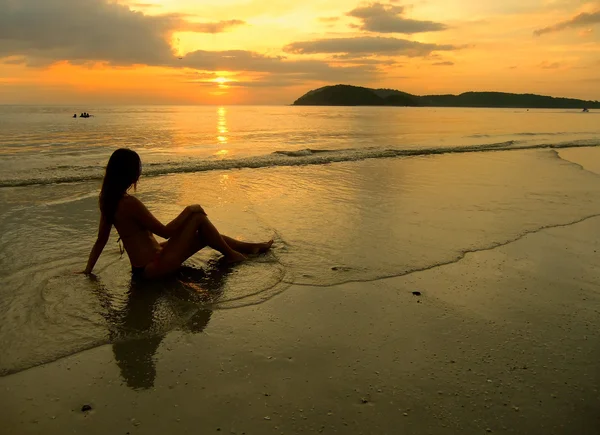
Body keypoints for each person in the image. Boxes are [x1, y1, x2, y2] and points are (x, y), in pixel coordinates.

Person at [83, 148, 273, 279]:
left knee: (203, 234)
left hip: (145, 267)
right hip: (155, 266)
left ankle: (250, 247)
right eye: (137, 169)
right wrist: (189, 209)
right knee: (198, 217)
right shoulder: (129, 203)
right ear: (129, 174)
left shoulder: (108, 200)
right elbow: (165, 232)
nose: (139, 173)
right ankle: (233, 255)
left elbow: (101, 240)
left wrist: (87, 270)